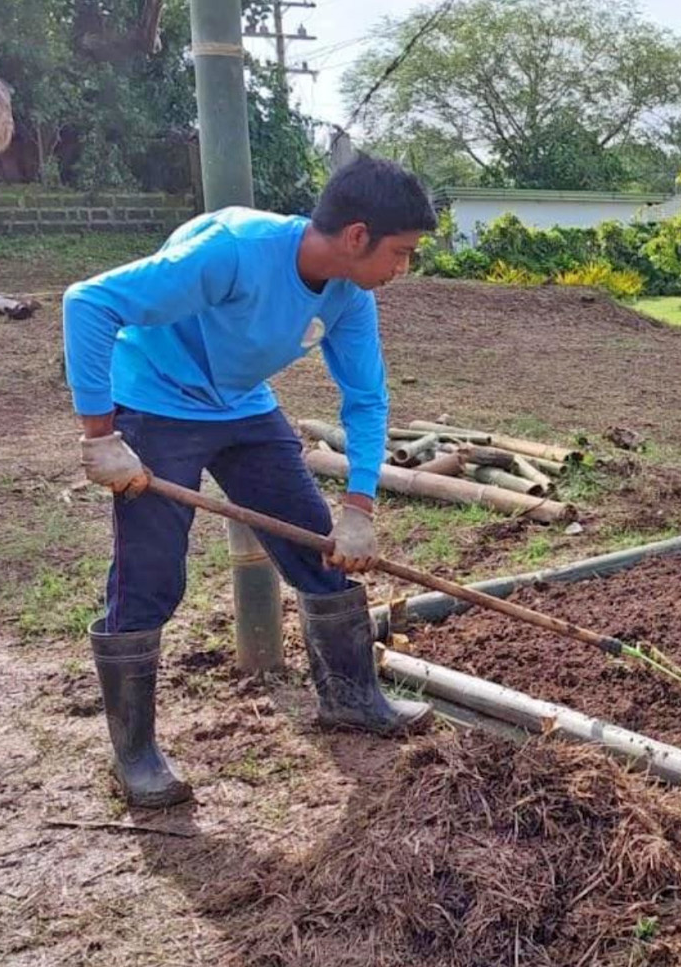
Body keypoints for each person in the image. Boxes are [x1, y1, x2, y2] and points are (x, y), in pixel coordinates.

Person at [63, 155, 438, 808]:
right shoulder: (232, 252)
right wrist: (102, 436)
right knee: (151, 582)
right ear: (357, 236)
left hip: (242, 408)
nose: (403, 268)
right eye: (401, 253)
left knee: (321, 551)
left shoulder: (348, 294)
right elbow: (88, 302)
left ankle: (351, 699)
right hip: (155, 404)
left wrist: (357, 506)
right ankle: (136, 754)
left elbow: (366, 399)